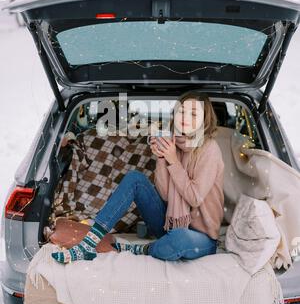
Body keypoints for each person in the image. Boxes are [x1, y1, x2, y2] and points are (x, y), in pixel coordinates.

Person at [51, 91, 225, 264]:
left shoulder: (210, 149)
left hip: (201, 237)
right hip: (169, 225)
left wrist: (173, 161)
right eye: (182, 111)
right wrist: (162, 159)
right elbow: (164, 195)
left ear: (205, 119)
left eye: (194, 113)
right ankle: (88, 244)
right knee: (135, 178)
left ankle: (143, 249)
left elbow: (195, 198)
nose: (185, 117)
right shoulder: (173, 142)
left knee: (179, 239)